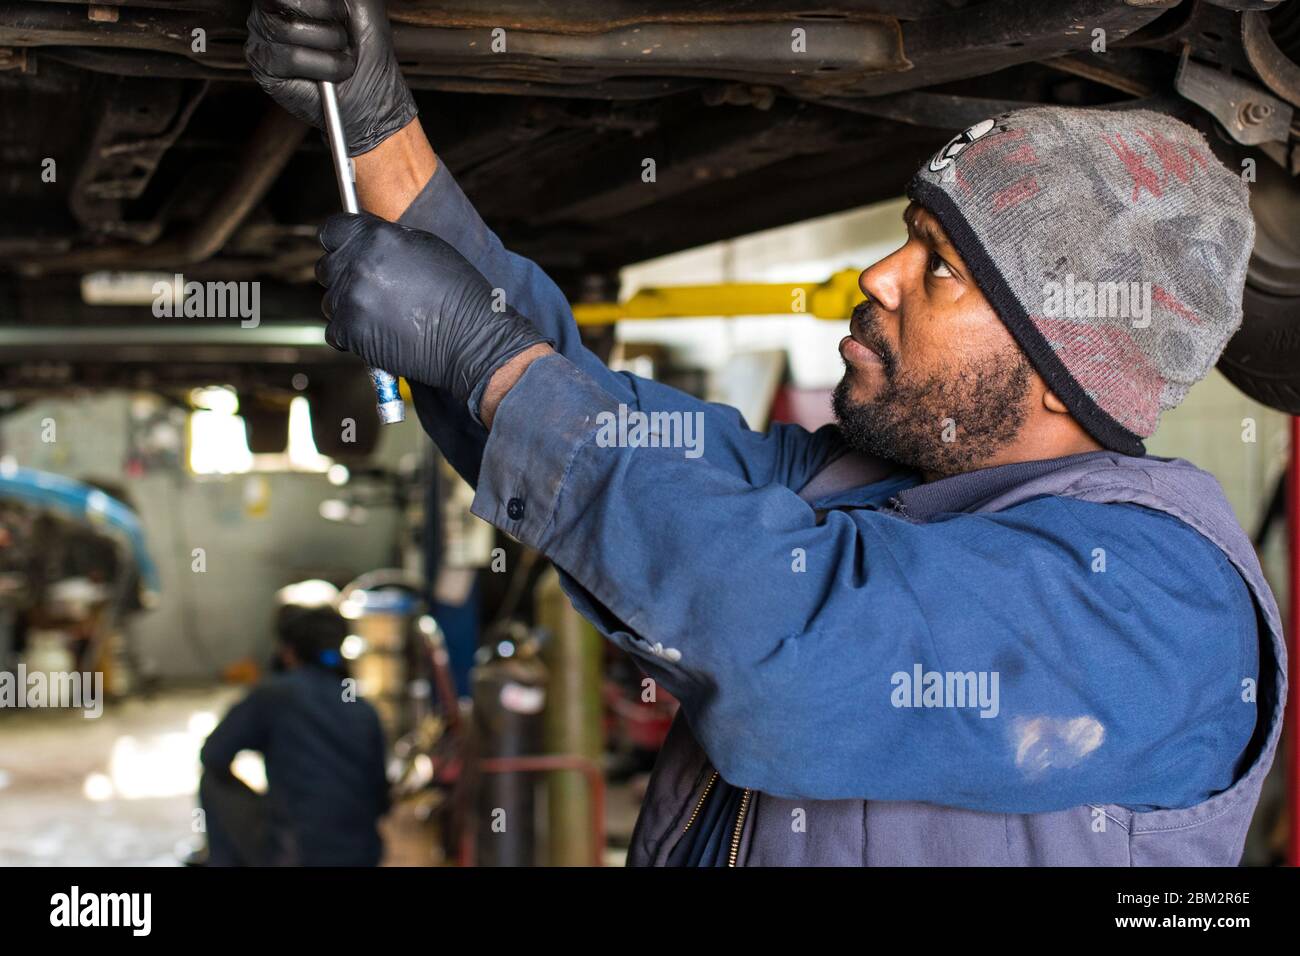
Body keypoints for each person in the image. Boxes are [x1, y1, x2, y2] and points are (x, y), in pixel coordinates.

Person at [245, 0, 1286, 865]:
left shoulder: (1158, 602)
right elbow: (578, 421)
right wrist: (379, 131)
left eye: (939, 267)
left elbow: (799, 656)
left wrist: (486, 359)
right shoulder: (864, 485)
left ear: (1064, 370)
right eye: (908, 239)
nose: (876, 275)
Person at [199, 604, 390, 866]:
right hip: (362, 856)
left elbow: (213, 754)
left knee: (212, 782)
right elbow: (381, 801)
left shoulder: (275, 696)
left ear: (288, 652)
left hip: (296, 856)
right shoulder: (364, 709)